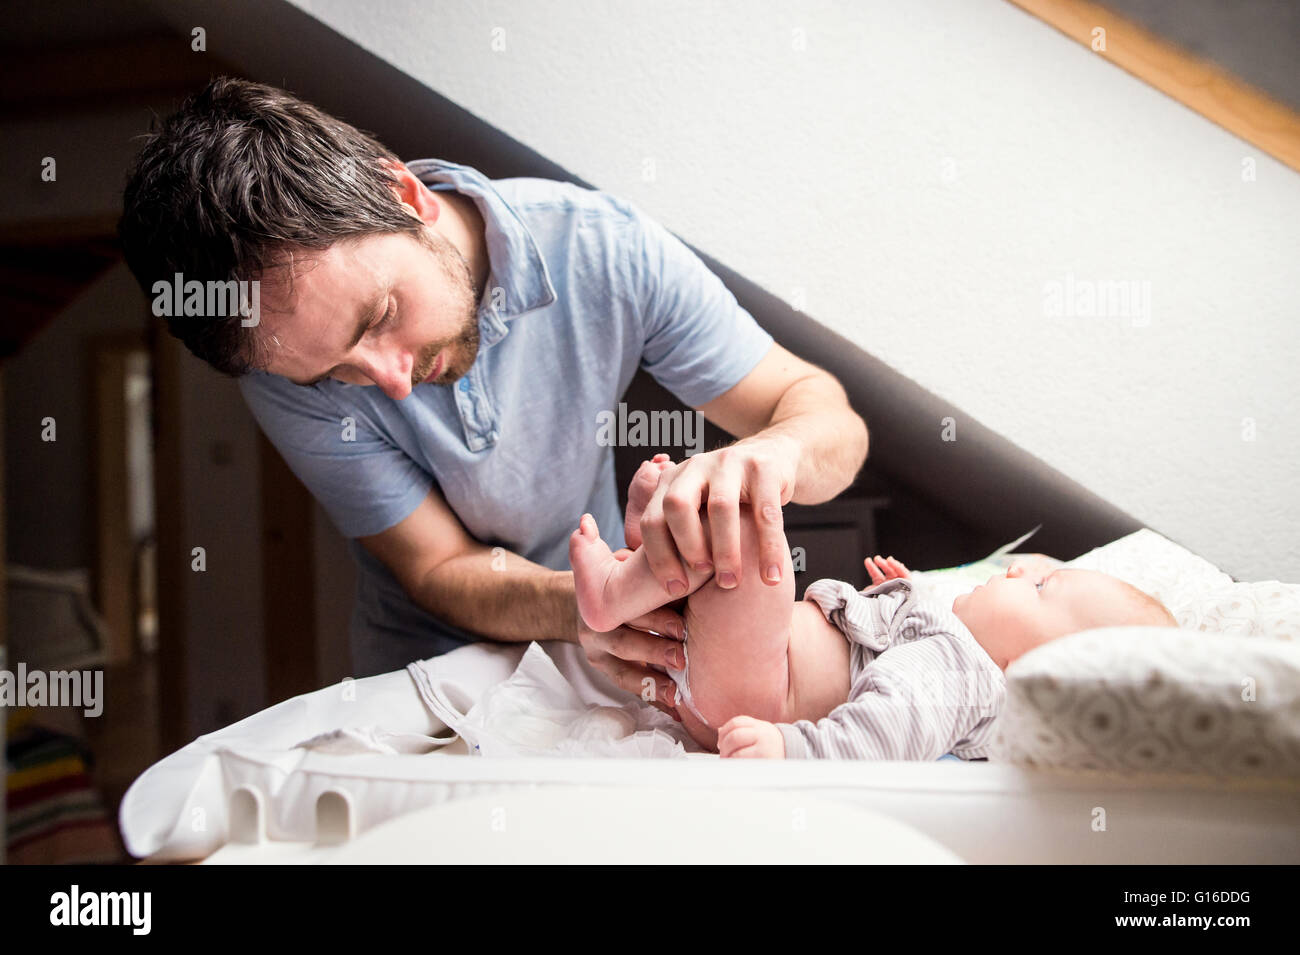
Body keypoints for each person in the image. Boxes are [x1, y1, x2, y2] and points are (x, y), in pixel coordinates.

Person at [117, 77, 868, 704]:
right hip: (428, 673)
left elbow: (821, 412)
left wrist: (774, 456)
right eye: (337, 373)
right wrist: (587, 605)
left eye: (380, 316)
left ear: (405, 194)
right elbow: (441, 566)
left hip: (612, 655)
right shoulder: (276, 369)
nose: (389, 380)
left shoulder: (604, 250)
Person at [570, 456, 1178, 757]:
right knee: (724, 567)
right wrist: (904, 597)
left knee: (754, 550)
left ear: (1028, 674)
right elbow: (891, 664)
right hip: (737, 684)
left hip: (766, 693)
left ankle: (617, 591)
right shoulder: (947, 650)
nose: (1019, 570)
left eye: (1041, 590)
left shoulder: (963, 675)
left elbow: (881, 734)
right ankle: (650, 556)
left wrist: (795, 752)